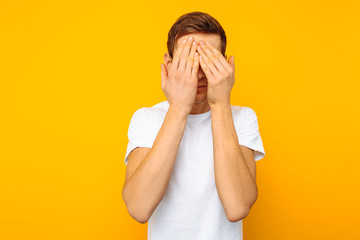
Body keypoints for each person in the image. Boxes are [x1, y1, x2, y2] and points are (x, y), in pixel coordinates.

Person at [122, 11, 265, 240]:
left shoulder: (242, 118)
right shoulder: (147, 118)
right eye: (188, 60)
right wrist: (178, 107)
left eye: (209, 60)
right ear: (168, 64)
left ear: (226, 65)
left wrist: (220, 104)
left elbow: (237, 207)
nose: (199, 73)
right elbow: (139, 208)